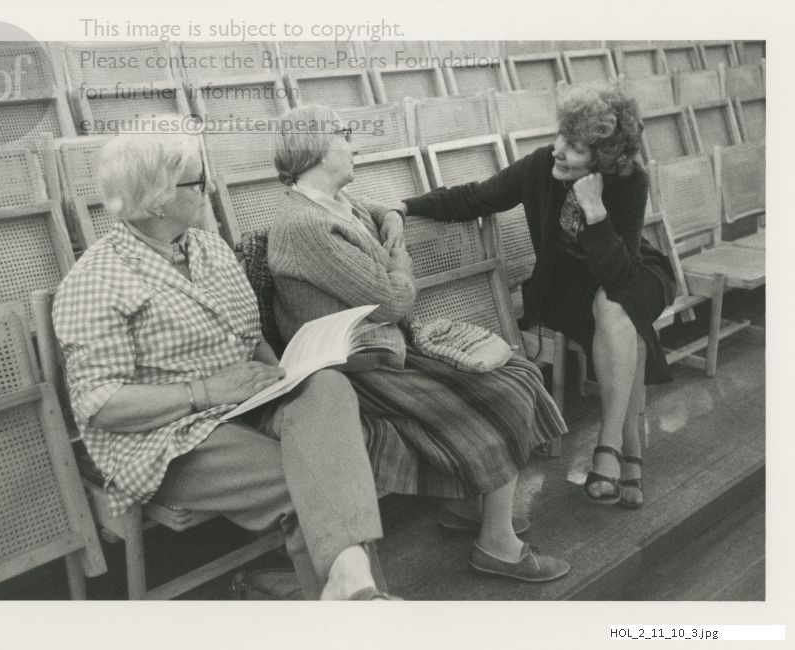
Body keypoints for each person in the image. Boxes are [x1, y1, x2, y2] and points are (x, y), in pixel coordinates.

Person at [52, 120, 396, 600]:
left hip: (246, 404)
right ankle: (359, 596)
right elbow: (100, 405)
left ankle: (350, 592)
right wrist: (206, 392)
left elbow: (249, 338)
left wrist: (286, 376)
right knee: (311, 484)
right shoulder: (95, 280)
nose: (210, 188)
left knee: (328, 387)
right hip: (167, 439)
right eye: (198, 180)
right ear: (157, 198)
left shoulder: (208, 247)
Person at [268, 105, 571, 582]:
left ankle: (468, 508)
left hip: (384, 349)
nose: (354, 143)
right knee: (507, 387)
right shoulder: (305, 226)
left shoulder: (332, 201)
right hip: (354, 368)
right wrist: (401, 262)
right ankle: (497, 545)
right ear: (317, 148)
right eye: (344, 134)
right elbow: (392, 302)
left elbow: (370, 212)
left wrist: (391, 216)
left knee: (516, 370)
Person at [399, 84, 677, 509]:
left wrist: (595, 210)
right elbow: (474, 197)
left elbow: (620, 275)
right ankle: (630, 450)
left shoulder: (629, 180)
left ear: (602, 160)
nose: (559, 150)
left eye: (575, 148)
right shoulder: (541, 166)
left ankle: (609, 447)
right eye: (562, 136)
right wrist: (404, 206)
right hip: (569, 287)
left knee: (615, 304)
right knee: (625, 325)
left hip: (636, 273)